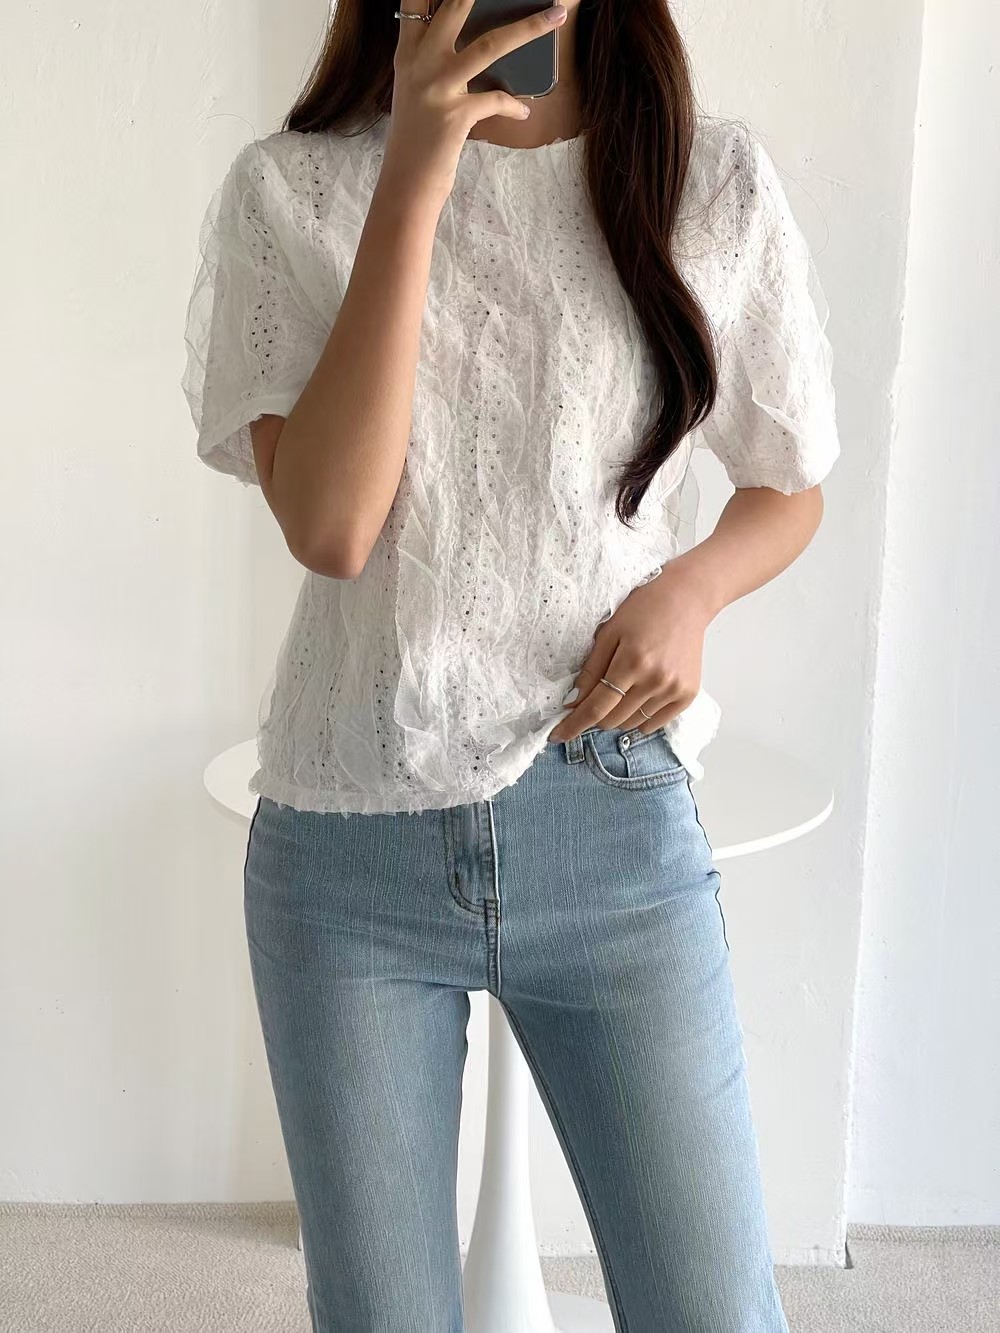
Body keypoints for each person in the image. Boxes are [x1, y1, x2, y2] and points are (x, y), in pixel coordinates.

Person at [182, 0, 839, 1327]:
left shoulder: (709, 182)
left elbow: (789, 481)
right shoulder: (290, 191)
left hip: (611, 821)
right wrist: (414, 175)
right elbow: (332, 527)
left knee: (715, 1309)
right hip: (350, 850)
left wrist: (690, 591)